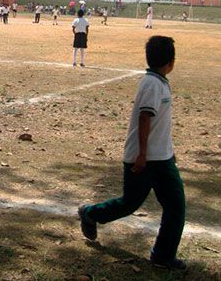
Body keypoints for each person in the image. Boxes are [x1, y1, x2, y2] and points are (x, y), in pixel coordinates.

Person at [78, 36, 186, 270]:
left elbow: (160, 124)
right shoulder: (152, 84)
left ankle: (162, 255)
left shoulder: (161, 82)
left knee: (176, 205)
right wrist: (142, 154)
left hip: (162, 158)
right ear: (171, 61)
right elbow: (145, 117)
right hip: (145, 159)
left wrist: (169, 151)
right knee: (130, 203)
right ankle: (90, 213)